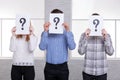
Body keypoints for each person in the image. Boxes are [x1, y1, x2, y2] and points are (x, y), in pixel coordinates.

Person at [39, 9, 76, 80]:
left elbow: (72, 47)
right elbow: (42, 47)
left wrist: (68, 31)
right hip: (49, 67)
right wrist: (45, 31)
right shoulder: (46, 33)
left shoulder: (66, 33)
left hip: (63, 68)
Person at [78, 13, 114, 80]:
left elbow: (111, 52)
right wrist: (86, 37)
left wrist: (106, 37)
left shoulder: (106, 35)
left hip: (102, 72)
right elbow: (80, 52)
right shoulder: (84, 35)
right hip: (87, 72)